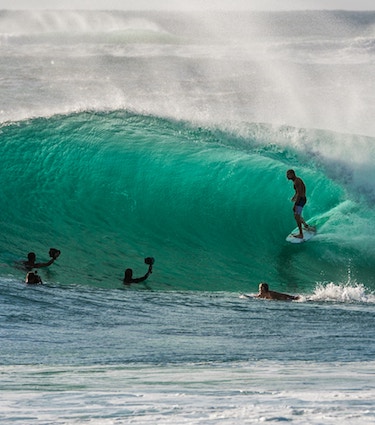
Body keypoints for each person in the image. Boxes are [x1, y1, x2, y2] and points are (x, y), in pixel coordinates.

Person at [286, 169, 314, 239]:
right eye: (287, 174)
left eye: (288, 174)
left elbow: (299, 193)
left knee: (297, 216)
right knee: (296, 214)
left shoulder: (297, 181)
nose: (287, 176)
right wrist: (294, 196)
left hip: (301, 200)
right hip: (302, 199)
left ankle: (301, 234)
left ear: (292, 174)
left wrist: (296, 204)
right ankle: (305, 225)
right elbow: (298, 191)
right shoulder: (297, 180)